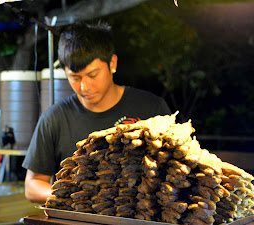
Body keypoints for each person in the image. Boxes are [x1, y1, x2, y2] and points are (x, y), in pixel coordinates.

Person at [23, 21, 171, 204]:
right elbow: (33, 185)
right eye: (75, 77)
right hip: (77, 218)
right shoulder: (54, 119)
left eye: (93, 75)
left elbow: (175, 169)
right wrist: (78, 198)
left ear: (112, 63)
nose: (84, 87)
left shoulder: (152, 108)